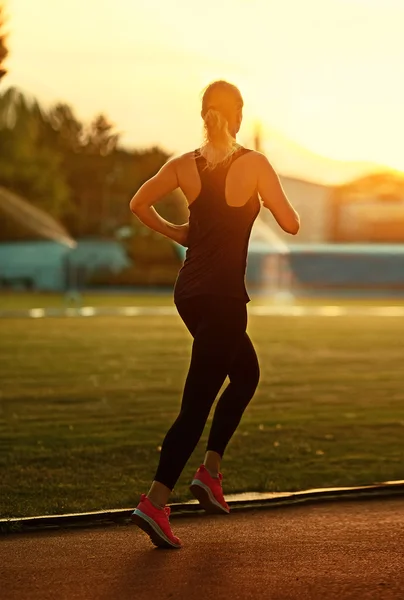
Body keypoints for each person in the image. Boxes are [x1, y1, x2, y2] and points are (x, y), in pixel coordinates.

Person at [128, 80, 300, 549]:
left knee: (245, 374)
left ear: (204, 114)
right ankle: (156, 500)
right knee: (198, 402)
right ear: (238, 114)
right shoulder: (256, 164)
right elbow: (292, 224)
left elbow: (138, 204)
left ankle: (211, 471)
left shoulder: (183, 164)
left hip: (190, 293)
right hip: (223, 299)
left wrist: (179, 231)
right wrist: (261, 200)